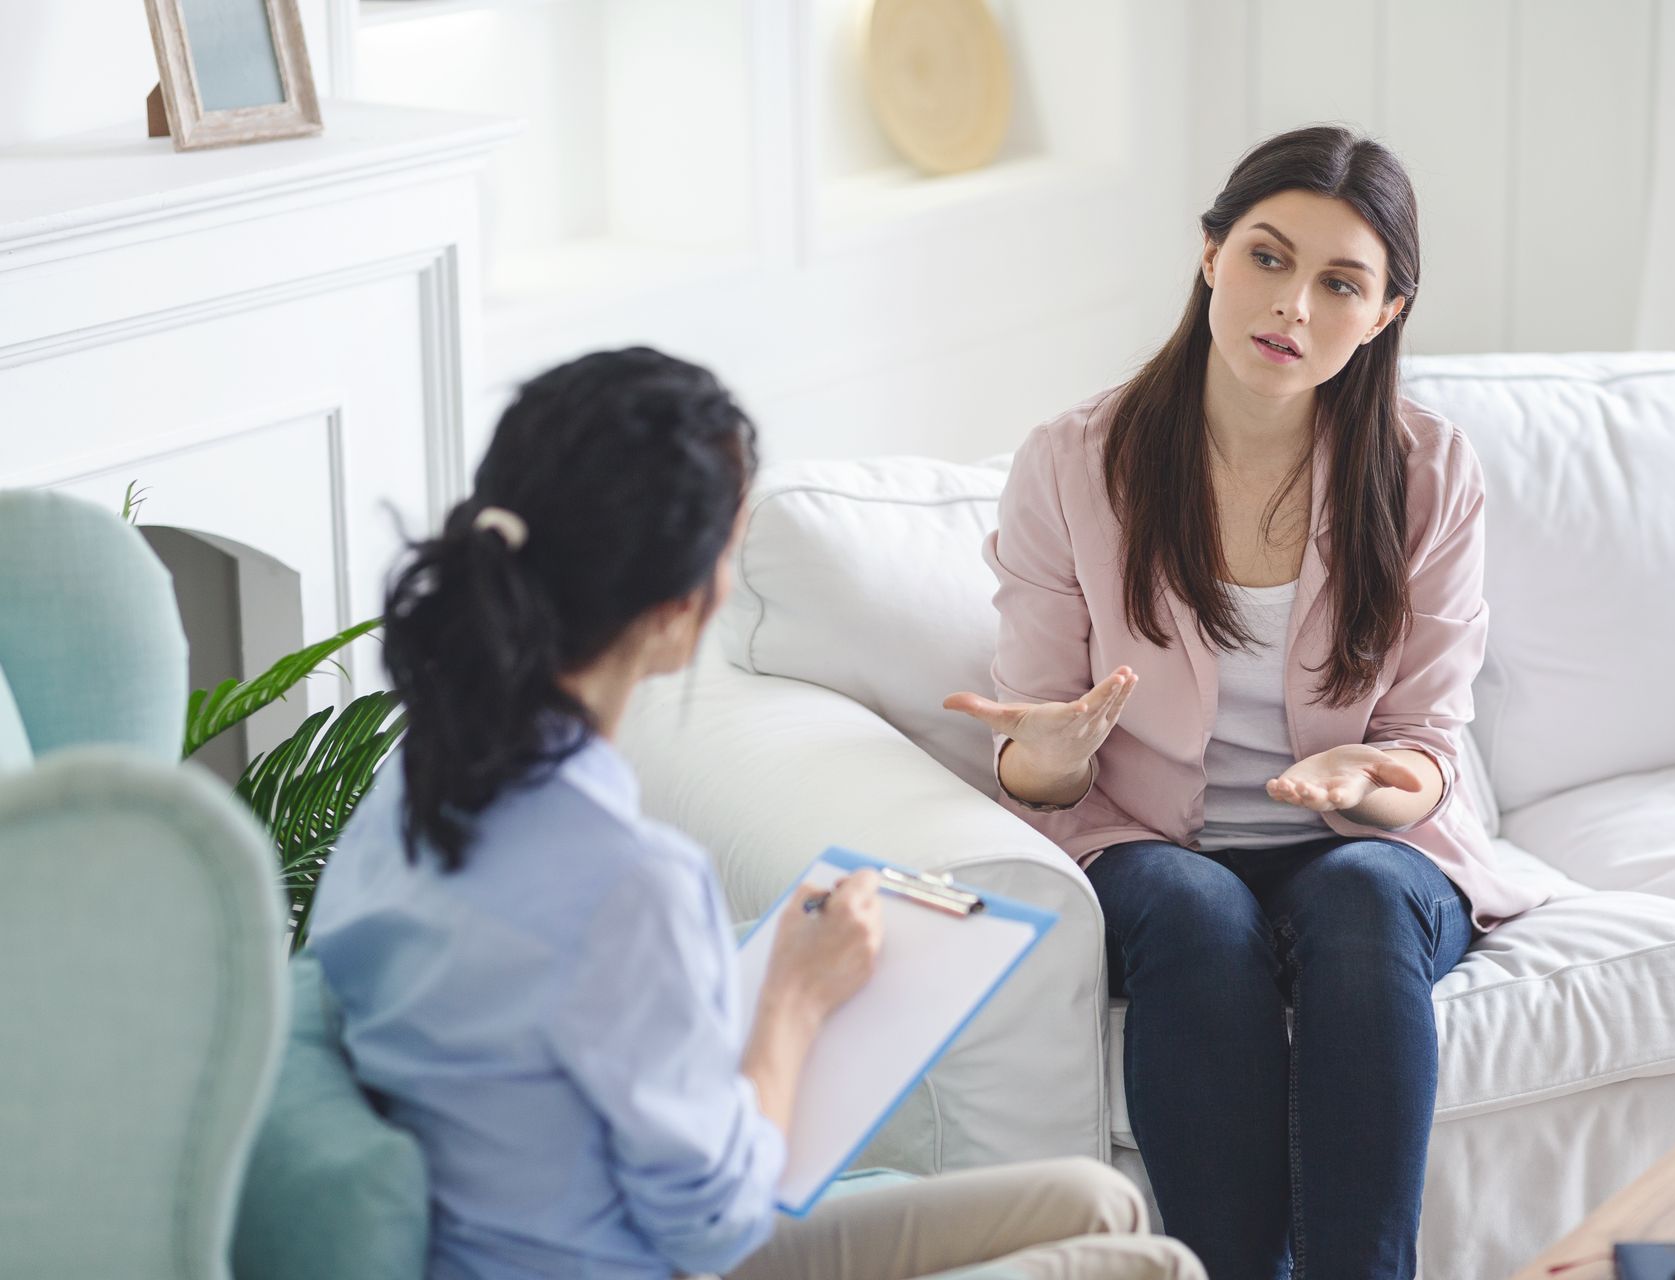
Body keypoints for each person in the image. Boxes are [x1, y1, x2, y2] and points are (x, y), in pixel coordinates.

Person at [306, 348, 1204, 1280]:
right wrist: (793, 995)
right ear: (676, 611)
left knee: (1100, 1200)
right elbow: (719, 1224)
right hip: (643, 1255)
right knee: (1156, 1265)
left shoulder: (418, 776)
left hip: (560, 1216)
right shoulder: (629, 878)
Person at [942, 126, 1553, 1280]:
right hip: (1151, 844)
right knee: (1194, 911)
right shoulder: (1075, 461)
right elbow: (1032, 762)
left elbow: (1428, 735)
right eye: (1268, 258)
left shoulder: (1428, 470)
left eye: (1340, 283)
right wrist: (1057, 751)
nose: (1295, 306)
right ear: (1211, 254)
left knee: (1367, 894)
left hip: (1365, 845)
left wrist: (1377, 782)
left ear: (1383, 312)